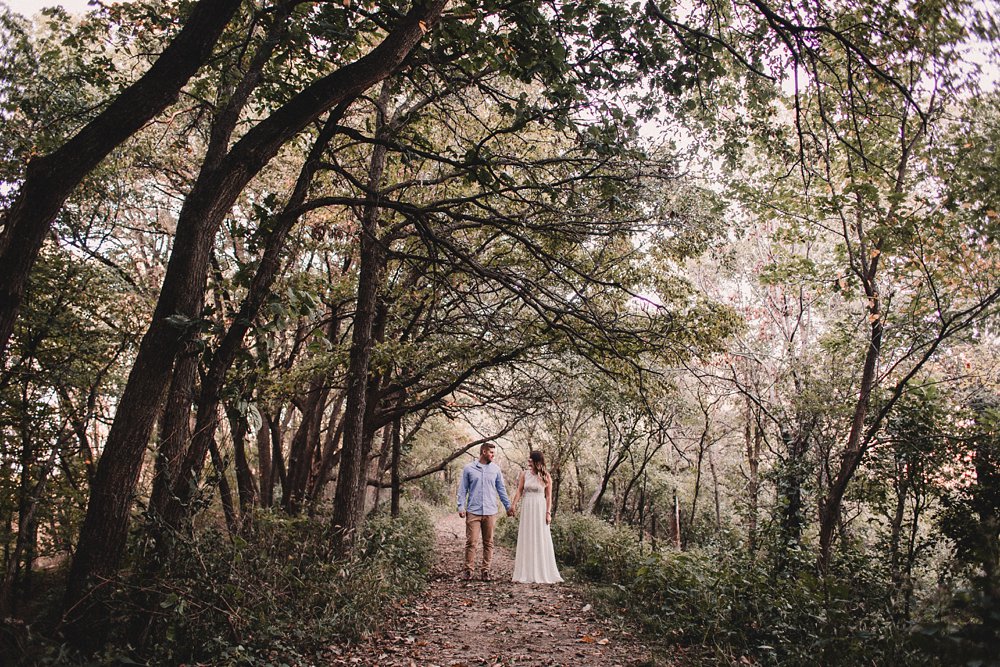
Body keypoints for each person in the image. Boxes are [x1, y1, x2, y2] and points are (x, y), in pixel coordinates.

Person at [456, 442, 513, 581]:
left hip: (490, 511)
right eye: (491, 452)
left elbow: (501, 490)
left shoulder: (496, 470)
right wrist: (460, 506)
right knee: (471, 542)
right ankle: (468, 571)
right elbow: (463, 490)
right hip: (473, 511)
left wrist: (508, 506)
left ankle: (485, 571)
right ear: (483, 452)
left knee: (489, 543)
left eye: (494, 452)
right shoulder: (469, 468)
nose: (493, 455)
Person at [510, 450, 563, 584]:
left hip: (539, 508)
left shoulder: (546, 476)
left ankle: (541, 571)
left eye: (530, 460)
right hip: (527, 507)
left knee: (540, 536)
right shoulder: (524, 474)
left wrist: (548, 513)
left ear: (537, 461)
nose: (528, 462)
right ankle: (526, 571)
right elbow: (519, 491)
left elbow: (549, 496)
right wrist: (513, 505)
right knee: (527, 536)